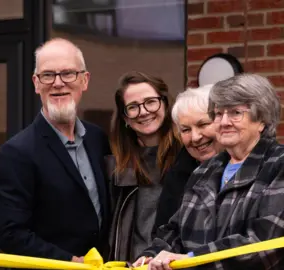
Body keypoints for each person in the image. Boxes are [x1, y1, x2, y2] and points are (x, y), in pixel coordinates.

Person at [135, 74, 284, 270]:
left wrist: (191, 259)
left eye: (235, 113)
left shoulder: (278, 164)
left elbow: (266, 241)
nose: (224, 122)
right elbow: (175, 230)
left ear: (262, 120)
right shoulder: (205, 170)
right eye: (218, 114)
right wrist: (151, 256)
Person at [0, 38, 111, 262]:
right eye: (48, 75)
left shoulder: (98, 139)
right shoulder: (16, 153)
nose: (58, 83)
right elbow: (10, 234)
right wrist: (71, 262)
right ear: (36, 83)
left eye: (68, 73)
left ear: (85, 80)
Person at [107, 71, 185, 262]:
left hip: (177, 263)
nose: (143, 112)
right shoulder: (116, 169)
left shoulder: (188, 156)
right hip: (134, 264)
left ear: (165, 104)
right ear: (125, 118)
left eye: (150, 101)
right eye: (133, 107)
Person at [153, 84, 222, 236]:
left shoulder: (252, 167)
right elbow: (163, 233)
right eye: (186, 130)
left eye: (203, 124)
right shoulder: (177, 175)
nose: (195, 137)